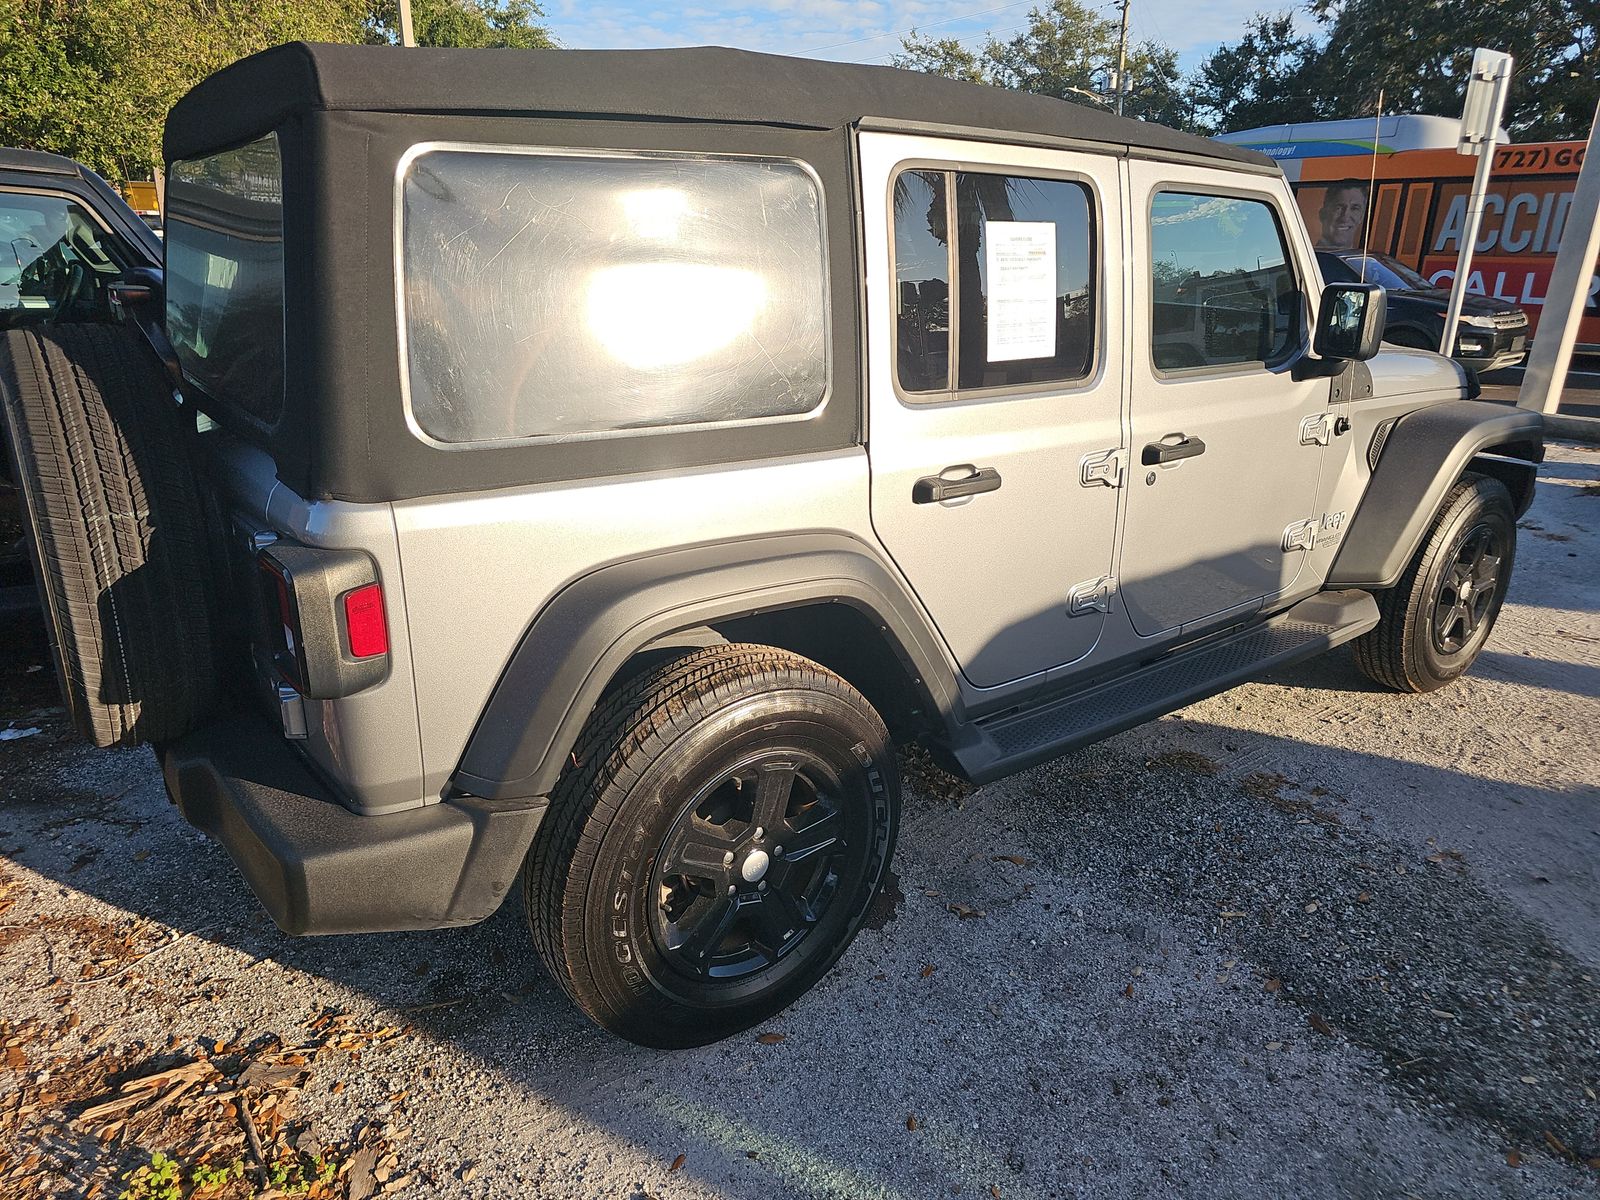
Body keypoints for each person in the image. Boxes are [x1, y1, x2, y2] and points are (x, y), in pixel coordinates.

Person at [1315, 180, 1368, 251]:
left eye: (1354, 208)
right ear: (1322, 214)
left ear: (1361, 217)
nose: (1345, 217)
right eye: (1338, 208)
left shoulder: (1365, 260)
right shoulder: (1305, 257)